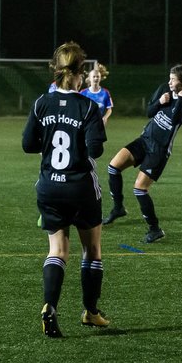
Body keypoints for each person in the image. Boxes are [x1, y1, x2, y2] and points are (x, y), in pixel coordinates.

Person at [22, 42, 110, 337]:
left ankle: (50, 306)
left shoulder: (41, 103)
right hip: (80, 188)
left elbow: (28, 145)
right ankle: (91, 312)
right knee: (92, 250)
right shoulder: (88, 106)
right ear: (80, 73)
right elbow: (95, 149)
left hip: (49, 187)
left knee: (58, 250)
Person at [101, 59, 182, 244]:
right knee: (113, 167)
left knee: (140, 189)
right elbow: (149, 112)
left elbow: (175, 119)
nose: (169, 82)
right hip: (144, 140)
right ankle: (118, 208)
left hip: (159, 151)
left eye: (173, 80)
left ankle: (155, 229)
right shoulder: (164, 89)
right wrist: (160, 101)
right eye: (169, 78)